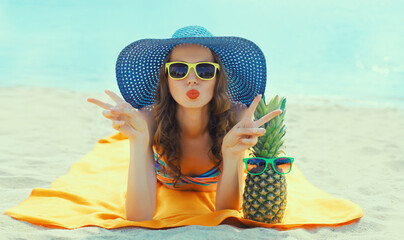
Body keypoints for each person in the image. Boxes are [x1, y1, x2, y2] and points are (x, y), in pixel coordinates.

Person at [87, 26, 282, 221]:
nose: (191, 80)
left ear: (218, 78)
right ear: (166, 78)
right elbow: (138, 216)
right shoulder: (148, 119)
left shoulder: (237, 117)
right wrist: (138, 140)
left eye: (205, 70)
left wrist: (231, 154)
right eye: (178, 70)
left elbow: (226, 214)